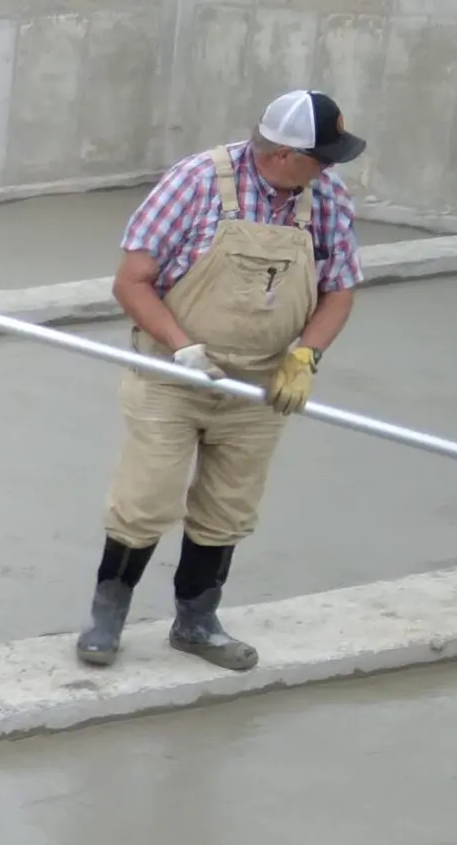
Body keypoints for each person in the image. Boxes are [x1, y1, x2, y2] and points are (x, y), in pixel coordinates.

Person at [78, 89, 366, 672]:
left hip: (260, 382)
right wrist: (183, 348)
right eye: (322, 156)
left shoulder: (325, 194)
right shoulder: (196, 182)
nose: (330, 167)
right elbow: (132, 280)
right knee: (145, 499)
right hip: (172, 374)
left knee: (228, 506)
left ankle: (197, 621)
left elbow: (339, 288)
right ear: (284, 155)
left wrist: (305, 355)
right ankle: (108, 616)